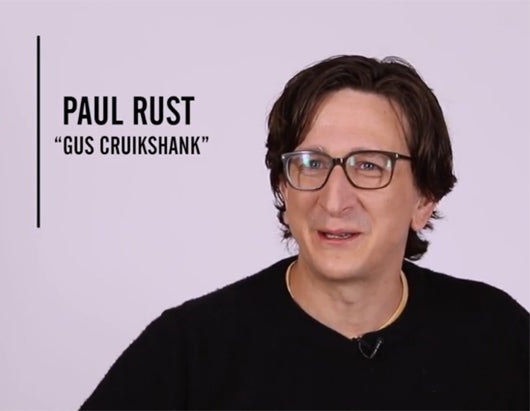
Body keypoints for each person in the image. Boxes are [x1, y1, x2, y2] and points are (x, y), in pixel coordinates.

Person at [80, 55, 529, 410]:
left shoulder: (498, 336)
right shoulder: (189, 352)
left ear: (424, 199)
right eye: (311, 164)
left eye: (368, 166)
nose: (334, 201)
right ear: (282, 185)